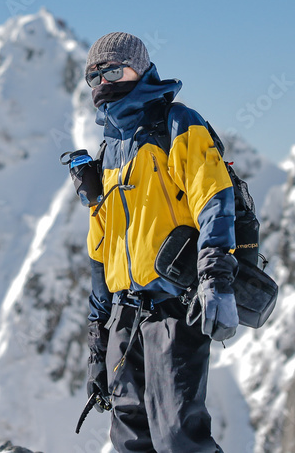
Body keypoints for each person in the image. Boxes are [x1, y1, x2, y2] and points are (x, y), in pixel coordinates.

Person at [82, 32, 238, 453]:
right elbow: (101, 247)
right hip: (124, 315)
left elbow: (214, 198)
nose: (103, 83)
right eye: (93, 76)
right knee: (130, 436)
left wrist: (216, 278)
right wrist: (99, 335)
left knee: (178, 437)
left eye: (113, 70)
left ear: (141, 67)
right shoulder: (108, 150)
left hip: (175, 305)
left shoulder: (177, 123)